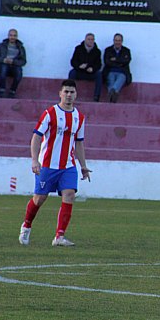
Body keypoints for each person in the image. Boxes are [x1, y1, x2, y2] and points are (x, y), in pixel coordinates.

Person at [18, 80, 92, 247]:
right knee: (39, 198)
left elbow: (79, 142)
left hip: (68, 165)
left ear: (76, 94)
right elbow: (36, 136)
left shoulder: (79, 117)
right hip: (47, 165)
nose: (69, 95)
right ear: (60, 93)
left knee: (69, 195)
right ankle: (27, 225)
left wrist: (84, 166)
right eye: (66, 92)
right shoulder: (50, 113)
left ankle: (59, 236)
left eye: (72, 92)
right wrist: (34, 159)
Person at [68, 33, 103, 102]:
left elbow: (99, 64)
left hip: (90, 73)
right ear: (85, 40)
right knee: (72, 73)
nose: (90, 41)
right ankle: (69, 95)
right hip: (79, 71)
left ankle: (96, 96)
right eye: (89, 39)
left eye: (92, 39)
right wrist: (79, 66)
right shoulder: (78, 49)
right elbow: (73, 61)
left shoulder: (97, 51)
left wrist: (93, 69)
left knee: (99, 75)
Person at [0, 28, 26, 98]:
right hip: (3, 65)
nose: (12, 37)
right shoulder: (1, 45)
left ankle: (12, 91)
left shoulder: (21, 47)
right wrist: (3, 60)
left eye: (14, 35)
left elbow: (23, 61)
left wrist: (13, 61)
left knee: (19, 72)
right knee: (3, 68)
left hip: (14, 66)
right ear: (8, 36)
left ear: (17, 37)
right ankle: (2, 90)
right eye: (11, 35)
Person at [102, 33, 132, 103]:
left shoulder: (126, 51)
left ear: (122, 41)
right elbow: (107, 62)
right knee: (111, 78)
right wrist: (120, 62)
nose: (117, 42)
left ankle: (112, 93)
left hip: (122, 72)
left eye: (119, 40)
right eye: (116, 40)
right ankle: (113, 94)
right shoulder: (108, 50)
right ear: (113, 41)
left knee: (121, 78)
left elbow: (126, 61)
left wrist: (114, 60)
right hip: (110, 71)